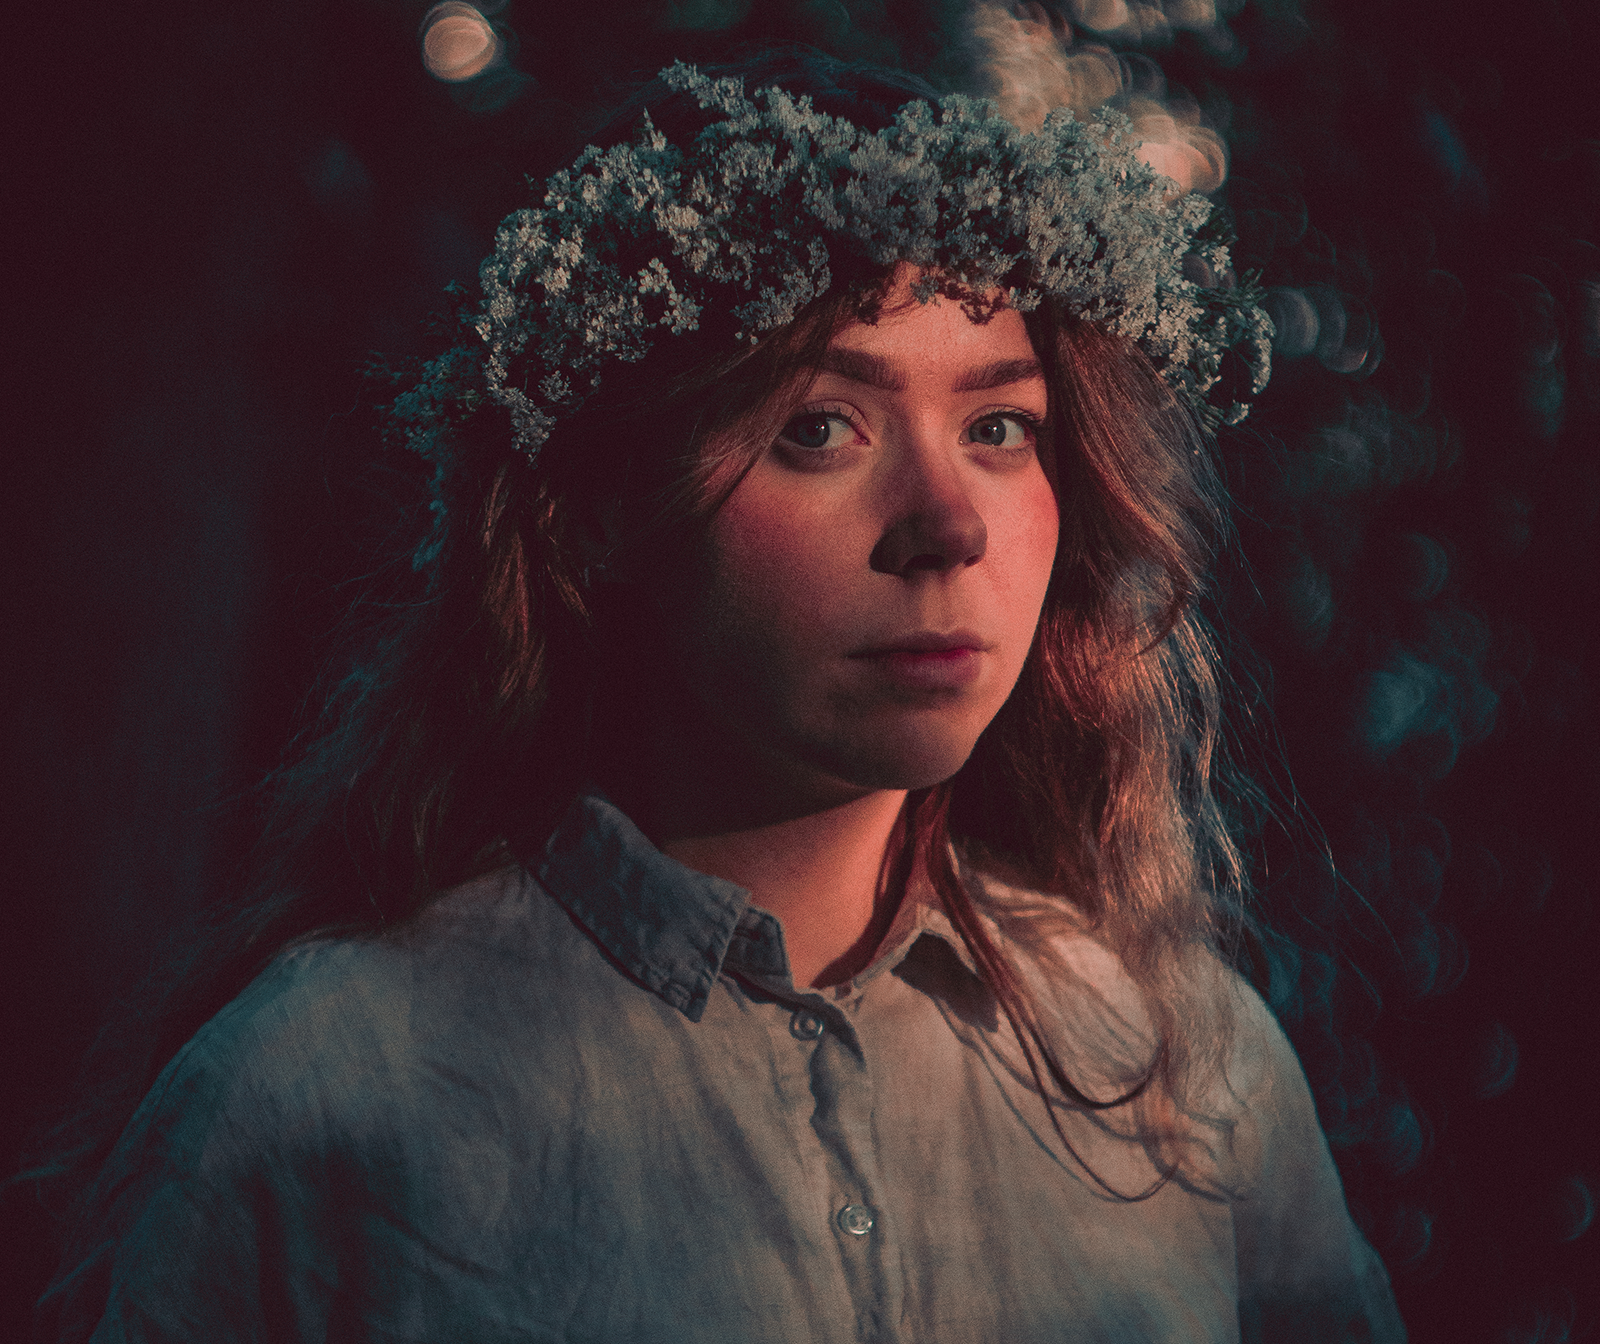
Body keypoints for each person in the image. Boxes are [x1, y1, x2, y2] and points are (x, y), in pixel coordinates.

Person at [38, 49, 1405, 1343]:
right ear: (592, 519)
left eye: (1001, 427)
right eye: (819, 426)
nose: (951, 525)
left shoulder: (1183, 1067)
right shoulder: (324, 1102)